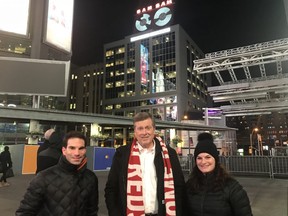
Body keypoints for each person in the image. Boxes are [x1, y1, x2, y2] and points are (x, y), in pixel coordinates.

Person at [105, 112, 186, 216]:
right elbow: (111, 188)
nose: (144, 132)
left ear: (154, 129)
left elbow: (179, 187)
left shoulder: (169, 154)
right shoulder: (122, 154)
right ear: (135, 131)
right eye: (140, 128)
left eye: (148, 128)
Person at [16, 131, 99, 216]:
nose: (77, 153)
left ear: (85, 150)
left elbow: (92, 211)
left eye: (81, 148)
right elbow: (24, 212)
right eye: (72, 148)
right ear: (64, 150)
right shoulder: (43, 178)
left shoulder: (91, 178)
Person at [186, 136, 253, 216]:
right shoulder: (190, 185)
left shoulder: (232, 187)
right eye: (199, 158)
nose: (203, 162)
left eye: (208, 157)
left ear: (215, 159)